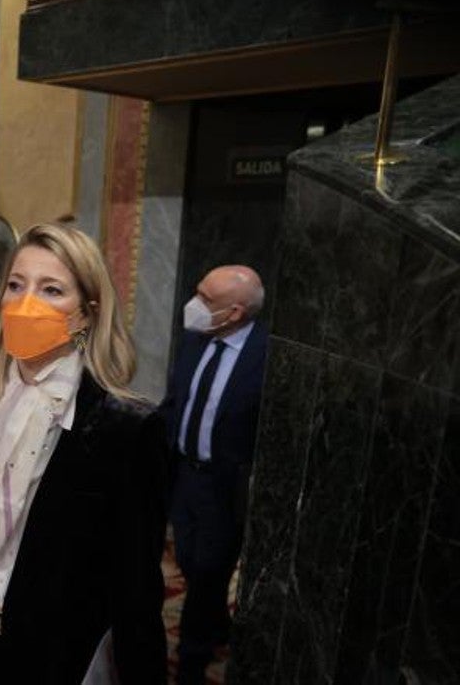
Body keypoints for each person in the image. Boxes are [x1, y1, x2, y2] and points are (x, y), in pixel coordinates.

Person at [0, 220, 168, 684]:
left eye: (51, 290)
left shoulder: (126, 429)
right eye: (15, 285)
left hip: (52, 660)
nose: (26, 302)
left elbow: (135, 590)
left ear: (87, 313)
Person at [159, 265, 266, 685]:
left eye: (205, 299)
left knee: (207, 575)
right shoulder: (195, 338)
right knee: (187, 558)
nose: (193, 305)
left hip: (225, 488)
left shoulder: (265, 357)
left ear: (235, 312)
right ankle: (218, 622)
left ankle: (191, 660)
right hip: (183, 475)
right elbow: (176, 400)